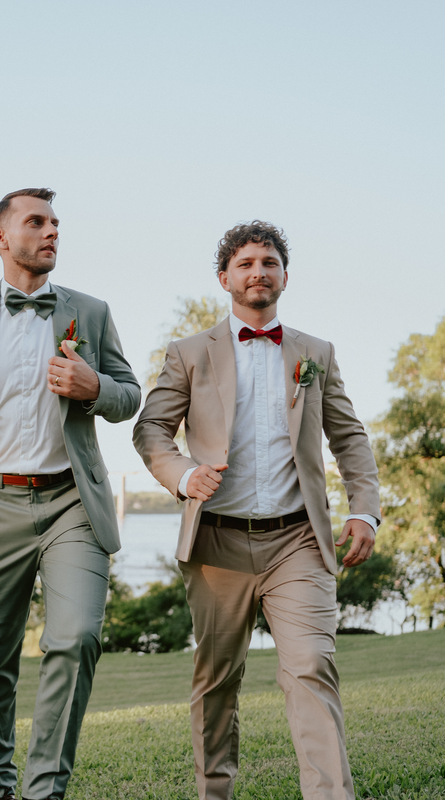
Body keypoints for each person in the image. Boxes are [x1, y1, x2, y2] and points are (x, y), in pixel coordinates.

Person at [132, 221, 380, 800]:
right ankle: (214, 792)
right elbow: (150, 432)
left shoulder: (315, 354)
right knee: (216, 681)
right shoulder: (189, 353)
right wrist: (184, 474)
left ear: (285, 277)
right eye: (245, 263)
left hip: (298, 541)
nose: (258, 272)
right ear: (225, 278)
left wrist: (363, 511)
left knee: (311, 667)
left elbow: (350, 438)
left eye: (269, 262)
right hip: (216, 542)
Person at [0, 189, 140, 800]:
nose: (51, 233)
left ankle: (44, 791)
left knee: (76, 638)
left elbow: (129, 394)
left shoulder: (90, 312)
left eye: (56, 224)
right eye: (35, 222)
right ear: (0, 237)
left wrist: (93, 386)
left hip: (72, 502)